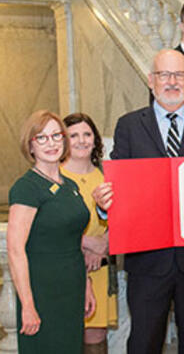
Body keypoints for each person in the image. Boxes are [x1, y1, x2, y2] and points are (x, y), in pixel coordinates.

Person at [95, 49, 184, 354]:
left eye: (179, 74)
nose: (172, 82)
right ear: (151, 80)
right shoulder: (128, 125)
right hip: (147, 258)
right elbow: (117, 187)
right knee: (143, 342)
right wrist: (105, 204)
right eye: (164, 75)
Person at [8, 110, 95, 353]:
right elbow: (15, 250)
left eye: (56, 136)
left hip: (72, 286)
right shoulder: (26, 188)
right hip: (42, 290)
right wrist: (27, 304)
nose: (51, 143)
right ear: (31, 145)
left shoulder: (70, 186)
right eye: (42, 138)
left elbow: (73, 239)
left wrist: (86, 283)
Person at [61, 113, 118, 354]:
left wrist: (103, 245)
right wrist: (87, 244)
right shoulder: (55, 177)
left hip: (101, 267)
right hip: (68, 267)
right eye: (73, 135)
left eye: (87, 134)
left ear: (95, 140)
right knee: (67, 331)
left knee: (96, 334)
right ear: (63, 140)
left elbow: (122, 217)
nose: (81, 140)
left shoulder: (107, 175)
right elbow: (48, 227)